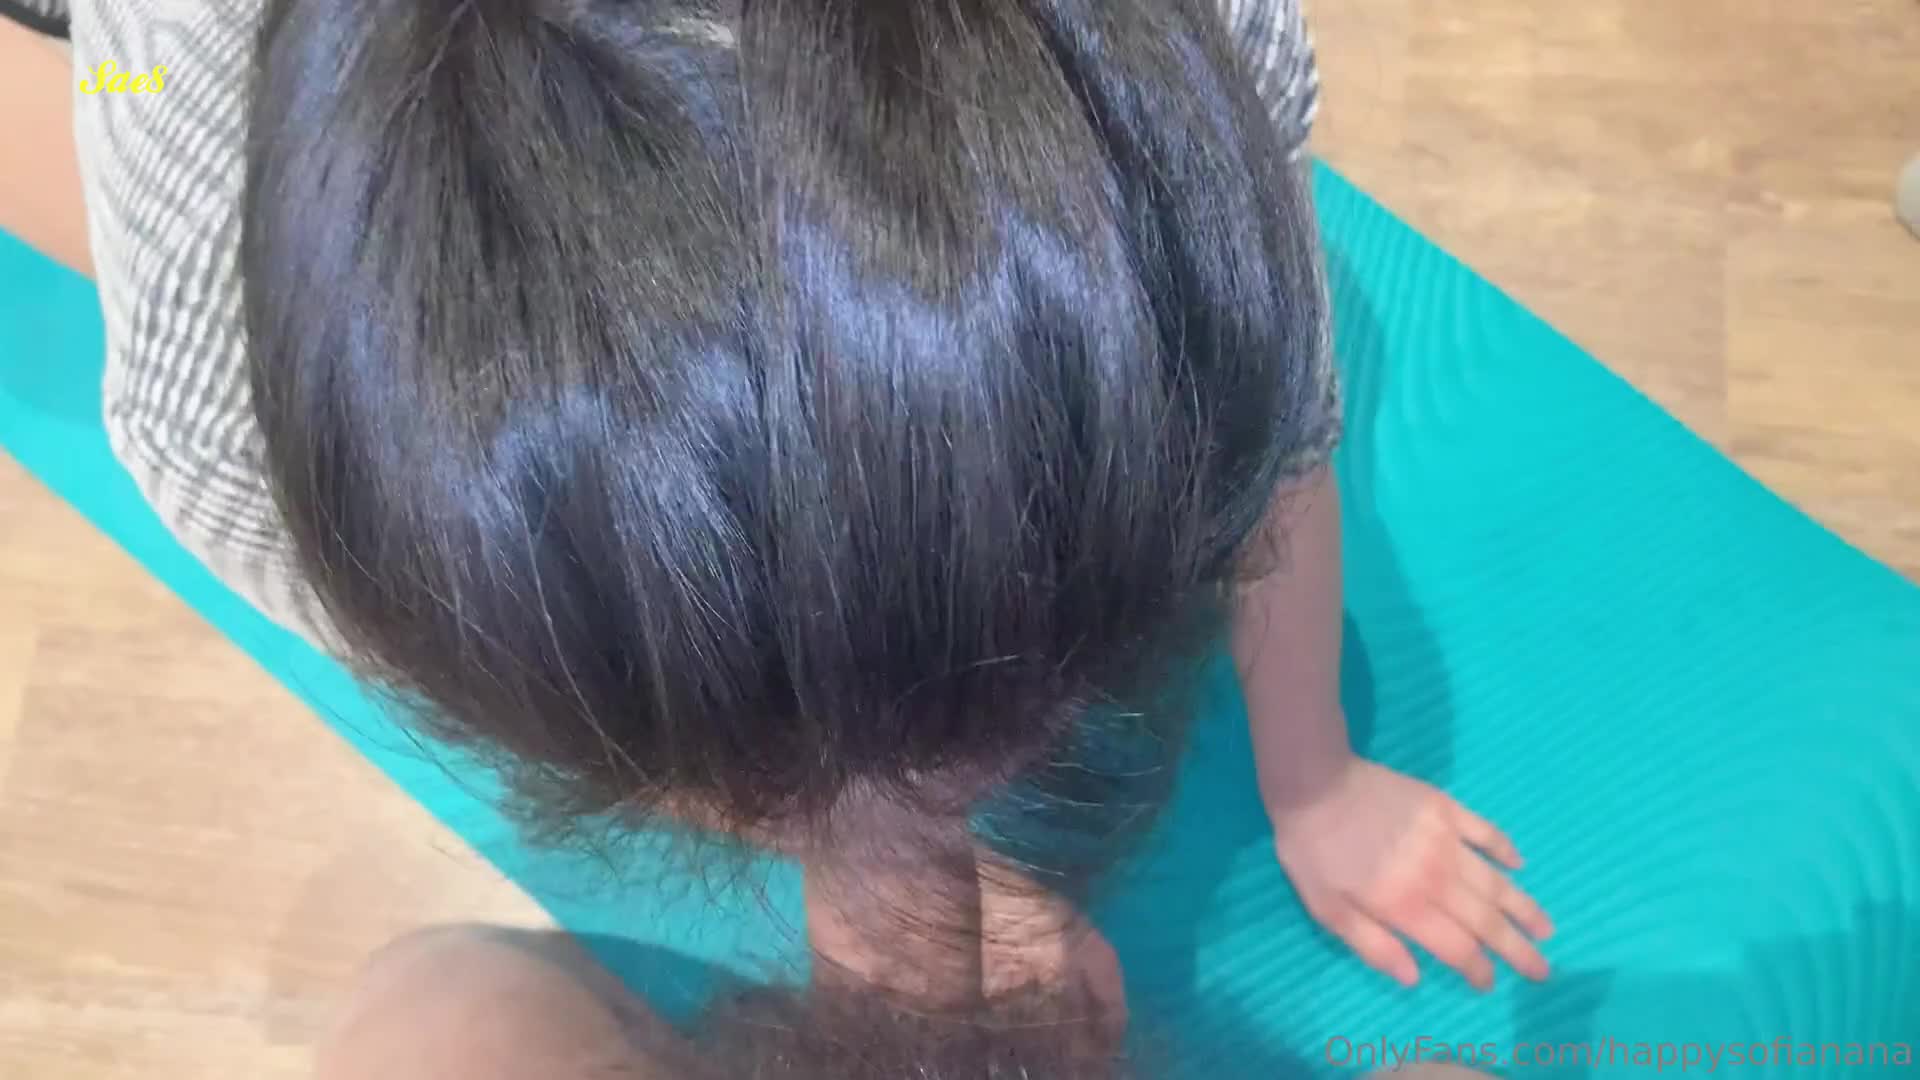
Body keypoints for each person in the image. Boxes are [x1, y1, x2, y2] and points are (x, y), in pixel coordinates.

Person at [0, 0, 1550, 1047]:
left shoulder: (1184, 72)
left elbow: (1282, 441)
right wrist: (881, 878)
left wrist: (1315, 775)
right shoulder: (220, 371)